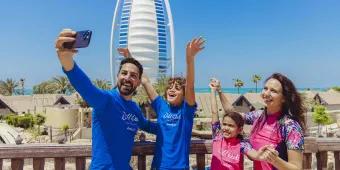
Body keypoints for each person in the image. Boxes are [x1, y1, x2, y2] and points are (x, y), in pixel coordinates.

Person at [55, 28, 156, 170]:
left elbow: (149, 126)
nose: (127, 78)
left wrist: (178, 125)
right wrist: (65, 59)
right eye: (124, 73)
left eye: (133, 75)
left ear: (139, 82)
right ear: (117, 76)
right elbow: (85, 86)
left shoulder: (134, 109)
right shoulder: (106, 100)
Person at [118, 37, 204, 169]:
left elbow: (190, 85)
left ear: (184, 94)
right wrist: (130, 58)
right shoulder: (161, 106)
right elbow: (145, 81)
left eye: (177, 88)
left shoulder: (186, 111)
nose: (171, 89)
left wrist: (190, 59)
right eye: (170, 87)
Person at [211, 74, 305, 170]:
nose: (266, 93)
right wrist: (219, 90)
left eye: (273, 91)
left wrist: (274, 160)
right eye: (265, 88)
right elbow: (233, 115)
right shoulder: (259, 116)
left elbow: (296, 168)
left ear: (284, 98)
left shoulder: (291, 126)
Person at [209, 79, 273, 170]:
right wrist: (213, 90)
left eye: (231, 126)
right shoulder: (218, 136)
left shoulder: (242, 144)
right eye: (225, 124)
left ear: (239, 129)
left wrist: (259, 155)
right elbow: (214, 112)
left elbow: (252, 153)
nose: (226, 128)